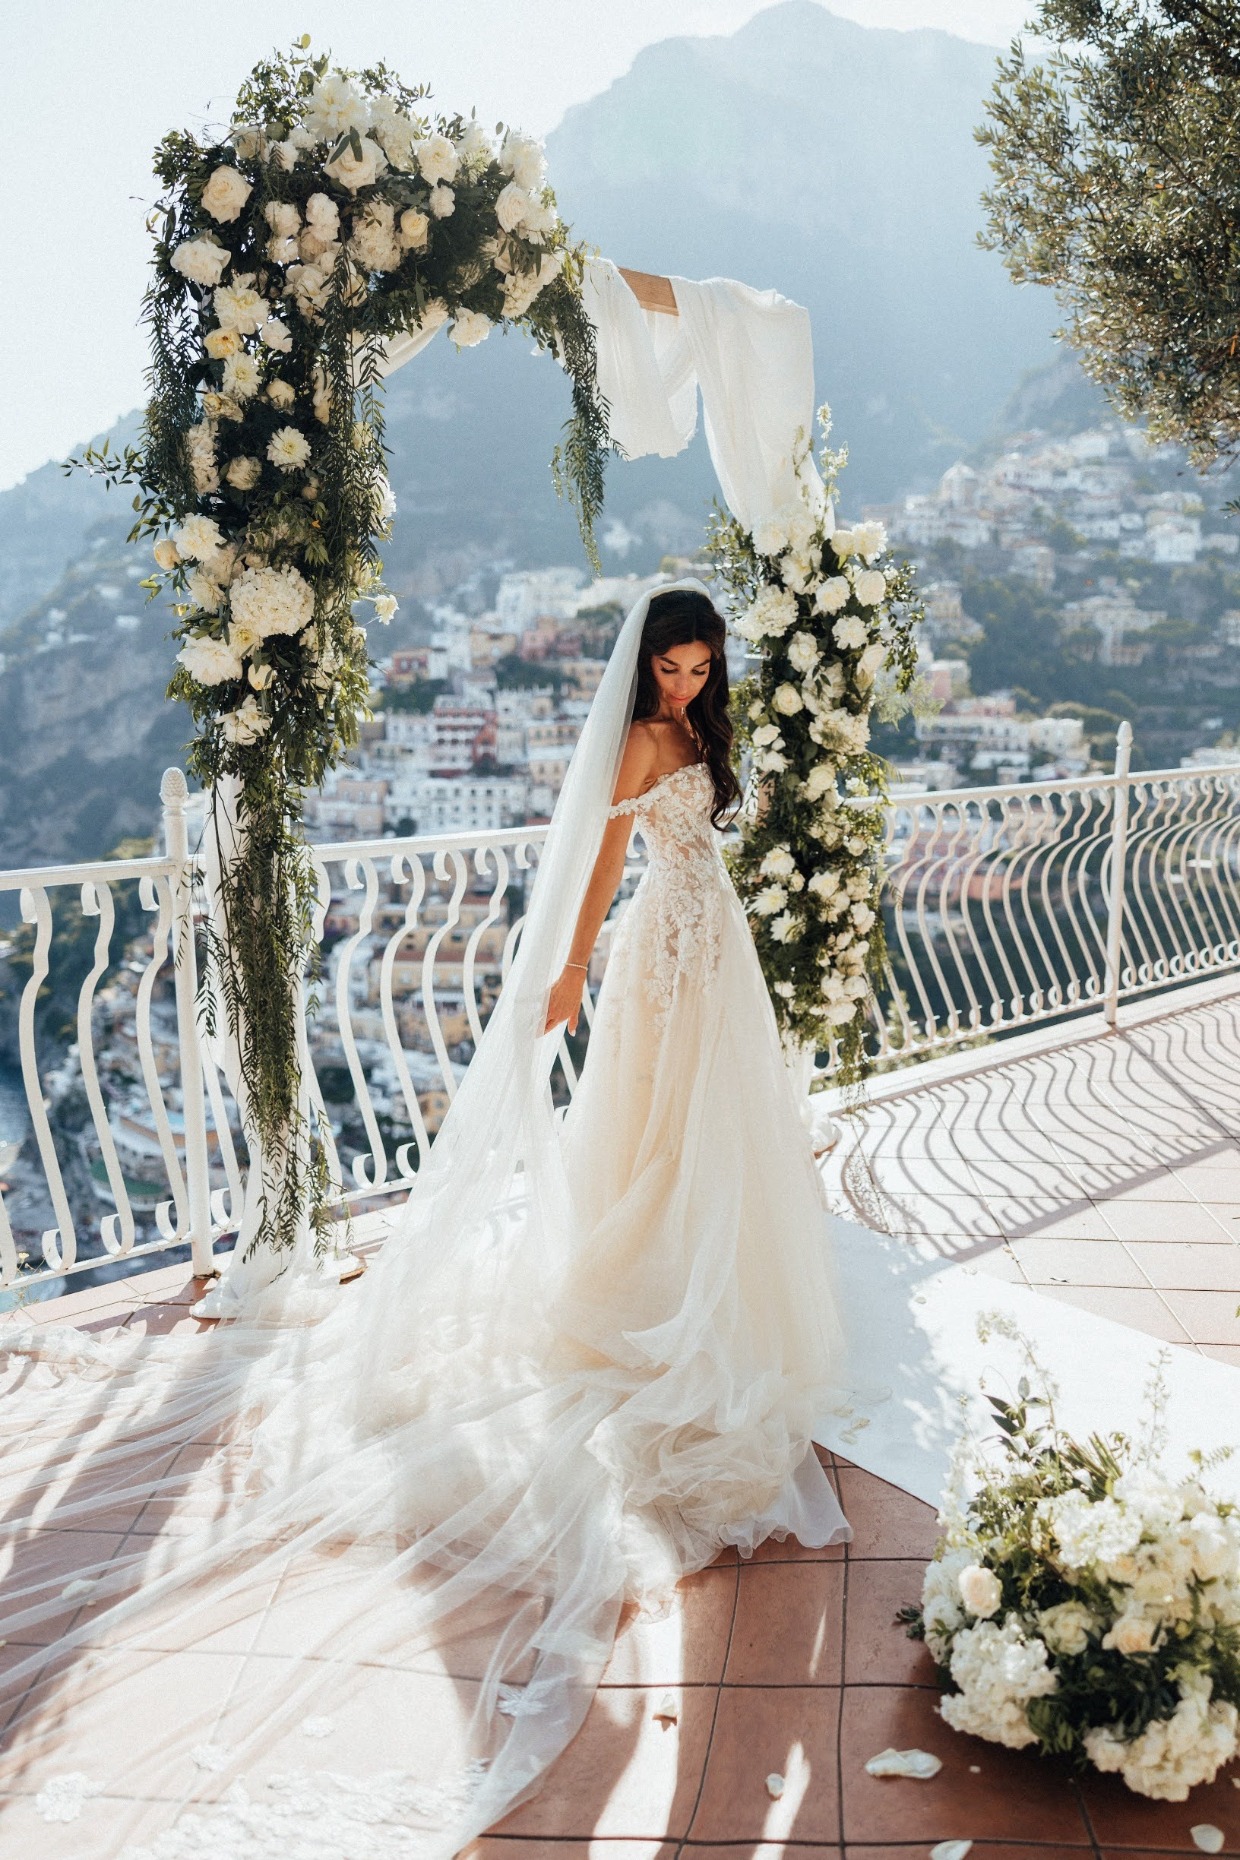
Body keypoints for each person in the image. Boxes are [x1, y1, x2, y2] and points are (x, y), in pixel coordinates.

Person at [0, 582, 850, 1860]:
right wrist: (564, 968)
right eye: (670, 668)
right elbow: (609, 859)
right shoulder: (633, 738)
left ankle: (701, 1273)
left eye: (699, 668)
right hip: (664, 952)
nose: (683, 685)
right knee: (661, 1133)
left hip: (713, 943)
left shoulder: (705, 734)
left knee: (719, 1135)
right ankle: (655, 1283)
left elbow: (697, 834)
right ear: (645, 671)